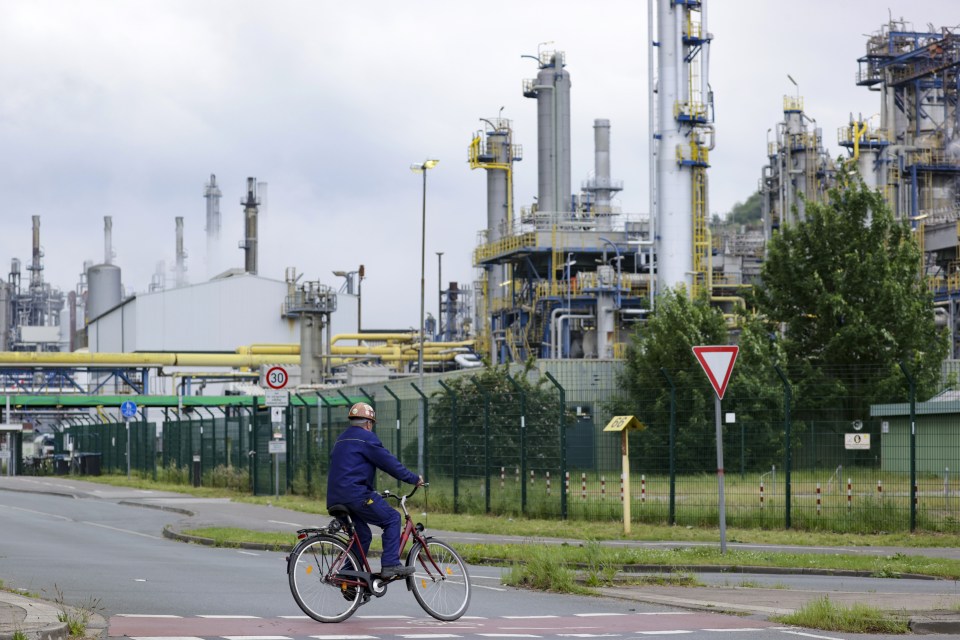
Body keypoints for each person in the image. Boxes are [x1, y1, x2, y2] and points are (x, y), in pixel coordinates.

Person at [327, 401, 423, 579]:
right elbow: (389, 464)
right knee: (393, 519)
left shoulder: (341, 439)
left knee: (362, 535)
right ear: (369, 424)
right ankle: (390, 564)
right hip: (356, 495)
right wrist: (414, 479)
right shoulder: (367, 438)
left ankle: (348, 576)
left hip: (334, 499)